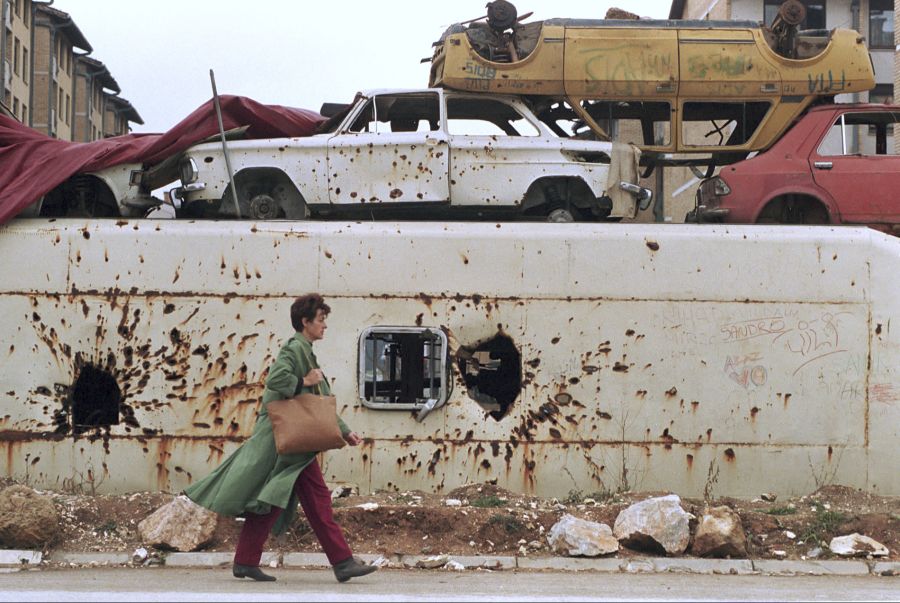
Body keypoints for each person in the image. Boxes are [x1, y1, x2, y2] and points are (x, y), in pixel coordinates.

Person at [184, 294, 377, 583]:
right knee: (313, 500)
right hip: (284, 441)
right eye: (321, 320)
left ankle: (247, 561)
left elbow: (316, 402)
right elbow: (277, 381)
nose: (325, 326)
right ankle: (342, 562)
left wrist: (344, 430)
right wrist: (303, 381)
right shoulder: (294, 349)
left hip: (292, 443)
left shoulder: (306, 350)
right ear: (305, 322)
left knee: (277, 500)